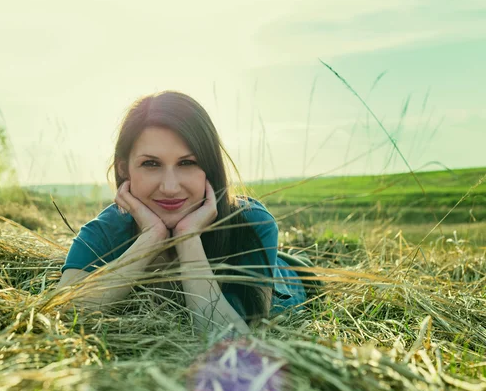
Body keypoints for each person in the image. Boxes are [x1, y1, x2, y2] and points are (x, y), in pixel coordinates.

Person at [56, 90, 313, 335]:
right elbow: (63, 314)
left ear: (209, 169)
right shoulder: (103, 230)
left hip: (294, 277)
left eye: (187, 163)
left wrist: (187, 238)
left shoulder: (252, 223)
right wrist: (151, 238)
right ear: (124, 169)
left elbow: (233, 341)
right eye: (151, 164)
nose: (169, 188)